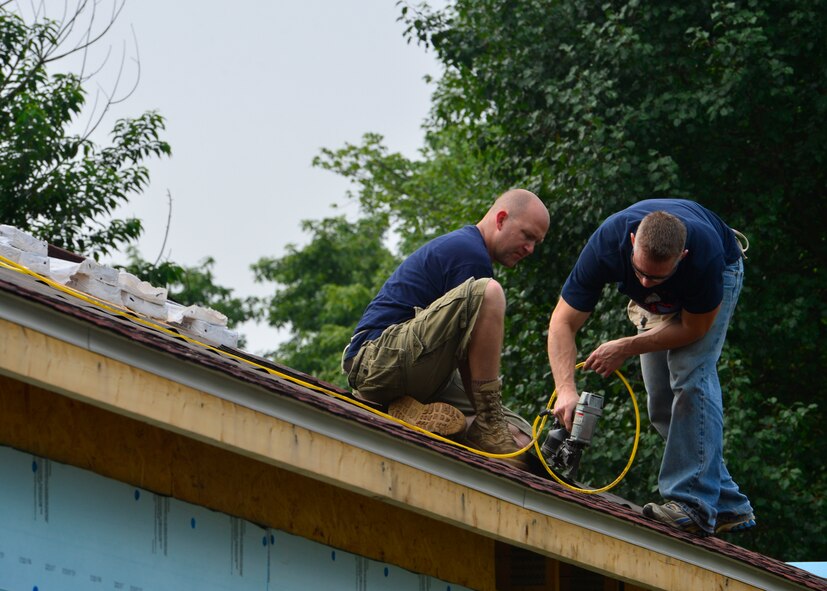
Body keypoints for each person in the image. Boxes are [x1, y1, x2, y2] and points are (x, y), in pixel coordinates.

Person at [547, 198, 756, 535]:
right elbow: (562, 322)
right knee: (660, 402)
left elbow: (693, 330)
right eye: (640, 272)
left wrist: (626, 346)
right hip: (663, 302)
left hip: (717, 277)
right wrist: (566, 390)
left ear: (681, 257)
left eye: (656, 276)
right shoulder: (607, 243)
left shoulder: (704, 258)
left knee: (690, 376)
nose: (644, 283)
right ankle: (728, 502)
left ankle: (694, 504)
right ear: (632, 243)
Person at [342, 189, 550, 465]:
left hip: (418, 375)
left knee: (522, 443)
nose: (530, 249)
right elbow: (469, 362)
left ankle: (426, 417)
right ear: (500, 219)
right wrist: (489, 418)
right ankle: (482, 422)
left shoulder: (474, 254)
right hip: (375, 362)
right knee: (489, 293)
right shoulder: (468, 252)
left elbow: (466, 359)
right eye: (527, 235)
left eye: (536, 242)